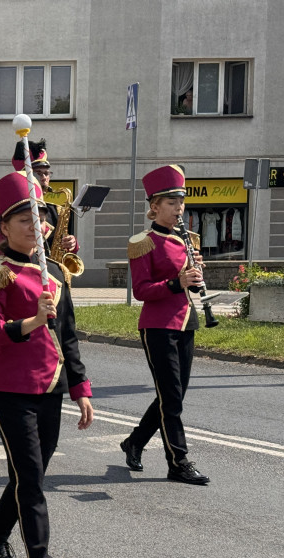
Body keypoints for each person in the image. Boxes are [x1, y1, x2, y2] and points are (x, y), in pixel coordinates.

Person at [0, 170, 93, 558]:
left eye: (39, 218)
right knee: (31, 480)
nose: (35, 225)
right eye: (23, 219)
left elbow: (69, 336)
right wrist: (32, 320)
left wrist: (81, 388)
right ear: (3, 227)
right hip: (10, 389)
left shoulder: (55, 270)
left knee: (31, 475)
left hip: (52, 386)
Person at [120, 164, 210, 486]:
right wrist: (177, 282)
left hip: (186, 321)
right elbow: (142, 291)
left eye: (181, 202)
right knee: (170, 396)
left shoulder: (188, 240)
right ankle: (178, 462)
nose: (178, 208)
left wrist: (195, 276)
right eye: (171, 202)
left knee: (172, 396)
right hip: (157, 326)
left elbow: (190, 286)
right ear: (154, 206)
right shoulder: (143, 242)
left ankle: (134, 442)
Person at [0, 139, 78, 261]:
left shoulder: (56, 211)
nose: (44, 178)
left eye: (47, 173)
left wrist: (72, 244)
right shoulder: (8, 210)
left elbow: (65, 247)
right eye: (38, 173)